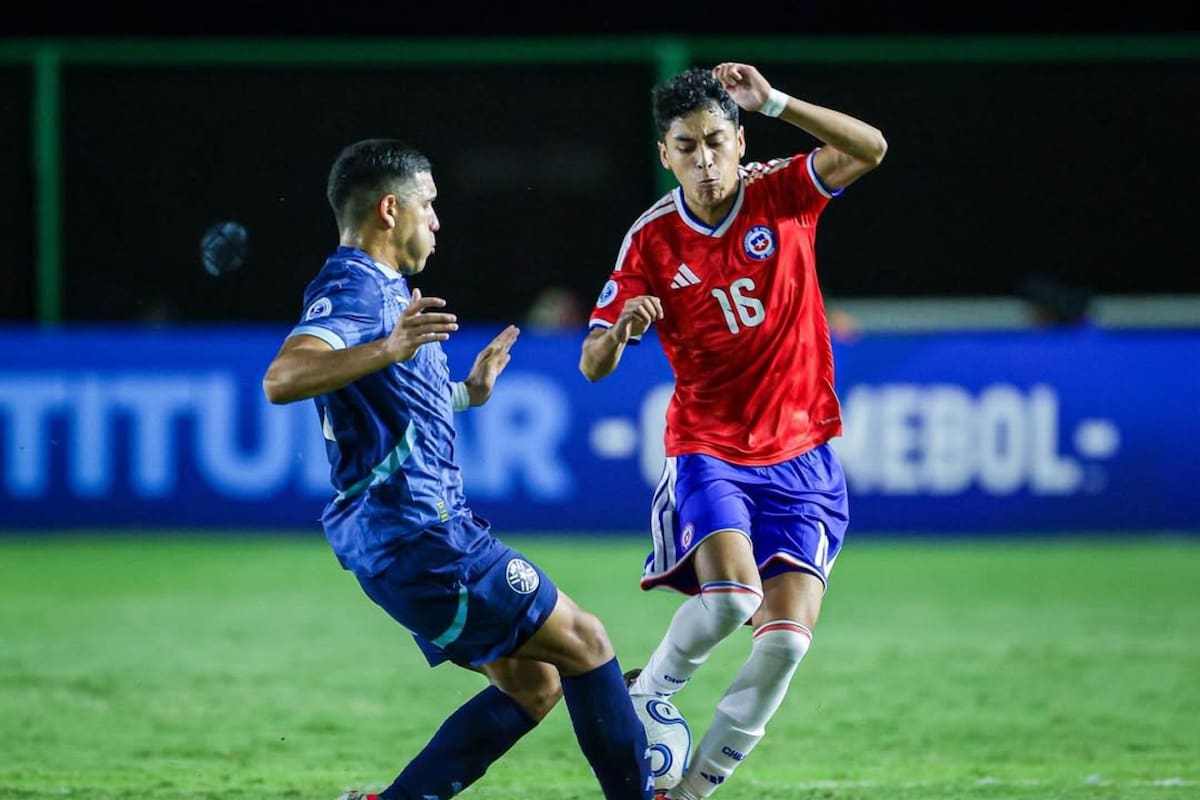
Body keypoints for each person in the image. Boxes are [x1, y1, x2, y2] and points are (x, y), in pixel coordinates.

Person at [263, 138, 653, 800]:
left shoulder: (382, 292)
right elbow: (283, 377)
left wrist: (467, 394)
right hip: (424, 535)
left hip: (396, 542)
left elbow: (386, 411)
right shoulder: (355, 285)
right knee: (587, 641)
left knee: (535, 686)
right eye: (429, 205)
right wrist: (389, 345)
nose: (437, 221)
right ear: (390, 209)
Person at [579, 63, 887, 800]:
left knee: (783, 647)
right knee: (729, 600)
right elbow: (592, 365)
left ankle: (690, 794)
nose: (705, 159)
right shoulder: (650, 241)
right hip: (711, 449)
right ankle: (649, 694)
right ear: (666, 154)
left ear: (741, 140)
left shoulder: (782, 192)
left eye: (718, 140)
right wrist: (621, 331)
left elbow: (871, 147)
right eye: (687, 146)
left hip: (805, 453)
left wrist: (778, 100)